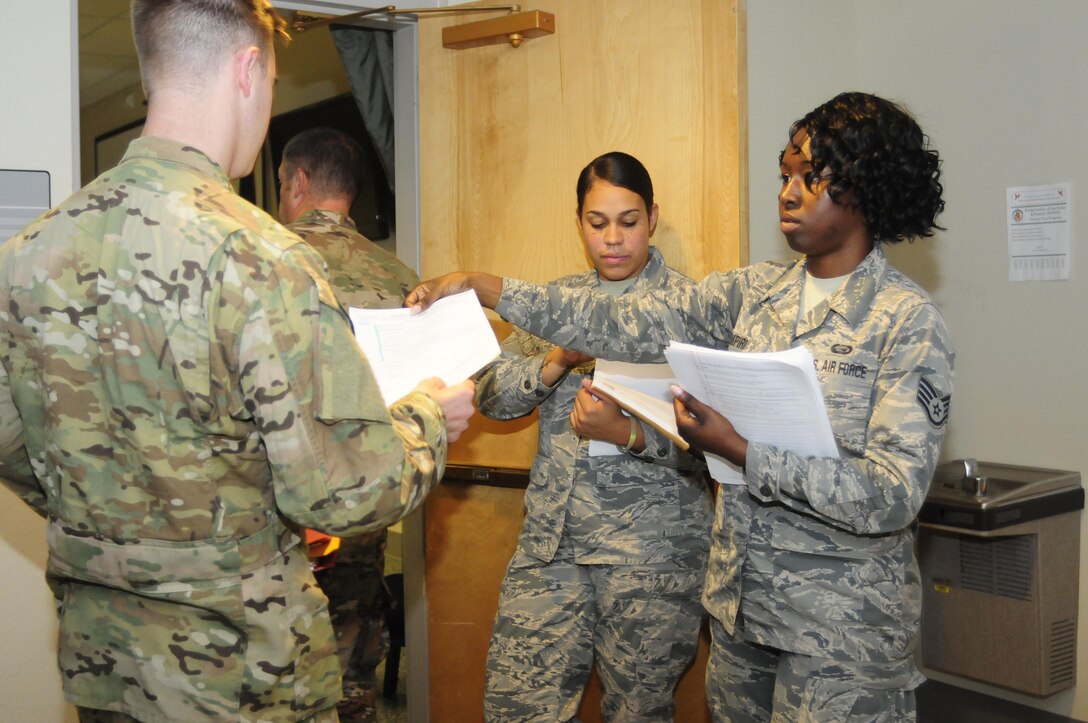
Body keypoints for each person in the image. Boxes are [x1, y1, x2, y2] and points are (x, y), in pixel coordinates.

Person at [406, 92, 954, 721]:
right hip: (742, 613)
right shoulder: (753, 294)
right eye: (784, 174)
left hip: (840, 631)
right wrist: (482, 286)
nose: (788, 193)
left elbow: (891, 494)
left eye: (810, 177)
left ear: (865, 186)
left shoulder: (906, 321)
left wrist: (739, 451)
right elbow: (617, 320)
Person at [0, 2, 474, 721]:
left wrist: (117, 516)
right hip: (247, 677)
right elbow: (341, 493)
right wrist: (429, 417)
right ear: (249, 71)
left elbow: (13, 443)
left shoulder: (26, 255)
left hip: (107, 667)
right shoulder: (262, 258)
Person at [476, 152, 713, 722]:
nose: (612, 239)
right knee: (515, 708)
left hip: (652, 557)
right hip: (551, 546)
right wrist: (556, 361)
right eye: (597, 222)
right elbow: (491, 397)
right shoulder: (555, 305)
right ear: (578, 221)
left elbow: (720, 447)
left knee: (638, 713)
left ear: (652, 217)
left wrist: (629, 434)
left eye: (628, 222)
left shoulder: (693, 309)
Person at [277, 126, 420, 722]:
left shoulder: (265, 260)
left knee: (281, 676)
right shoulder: (401, 277)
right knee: (351, 672)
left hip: (279, 509)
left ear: (298, 182)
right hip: (366, 501)